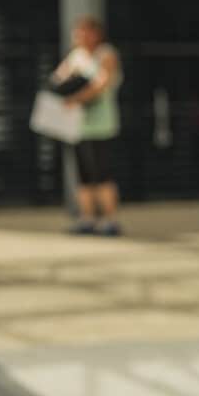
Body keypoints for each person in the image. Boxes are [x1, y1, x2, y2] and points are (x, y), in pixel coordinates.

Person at [53, 16, 123, 236]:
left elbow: (102, 84)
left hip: (102, 125)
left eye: (85, 32)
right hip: (78, 126)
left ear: (96, 34)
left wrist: (77, 98)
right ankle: (88, 218)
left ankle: (110, 220)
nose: (80, 36)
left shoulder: (107, 54)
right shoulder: (76, 56)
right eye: (78, 32)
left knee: (102, 173)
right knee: (83, 174)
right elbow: (57, 79)